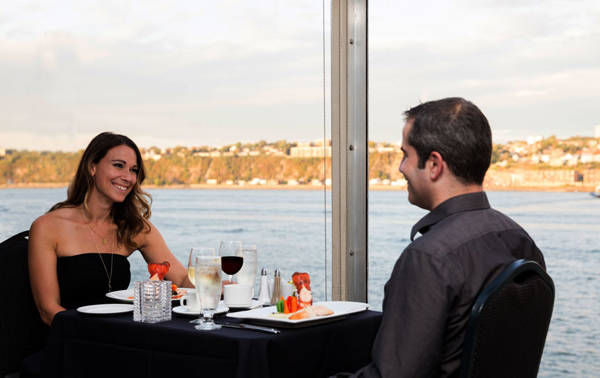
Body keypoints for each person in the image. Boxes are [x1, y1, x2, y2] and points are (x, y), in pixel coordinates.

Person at [347, 98, 545, 377]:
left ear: (434, 164)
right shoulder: (522, 242)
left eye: (405, 155)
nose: (401, 168)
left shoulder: (429, 258)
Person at [29, 132, 193, 326]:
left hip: (117, 337)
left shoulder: (135, 228)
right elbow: (48, 311)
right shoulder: (47, 227)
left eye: (133, 170)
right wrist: (99, 338)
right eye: (118, 165)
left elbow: (181, 280)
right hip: (69, 339)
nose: (128, 177)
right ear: (92, 167)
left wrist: (218, 285)